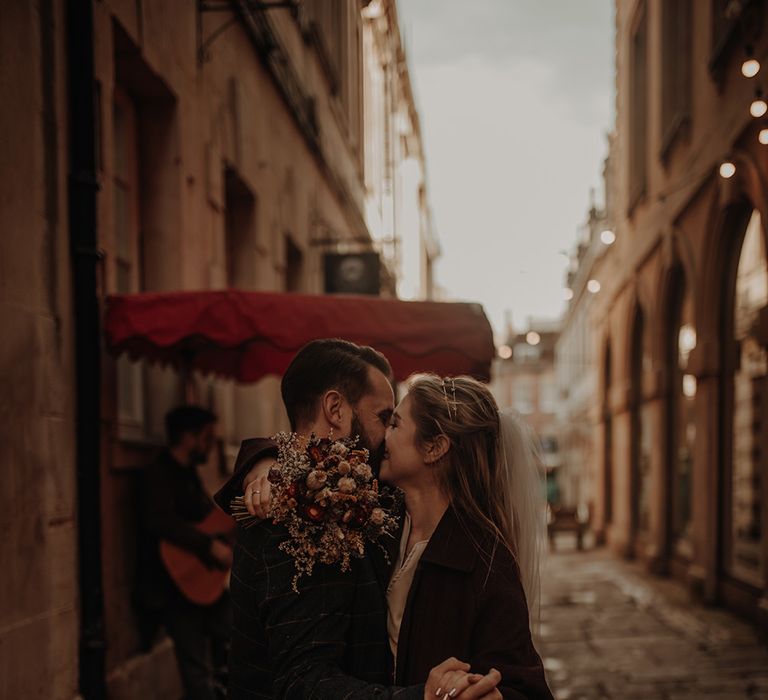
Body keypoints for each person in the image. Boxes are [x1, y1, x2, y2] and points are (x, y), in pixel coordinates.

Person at [215, 339, 504, 699]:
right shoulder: (299, 513)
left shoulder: (345, 495)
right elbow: (303, 682)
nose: (389, 435)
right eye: (384, 418)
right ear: (335, 409)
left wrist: (262, 458)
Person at [380, 374, 553, 699]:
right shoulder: (381, 523)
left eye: (394, 424)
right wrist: (261, 460)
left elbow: (525, 687)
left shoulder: (485, 561)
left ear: (434, 447)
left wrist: (492, 695)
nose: (381, 437)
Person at [137, 405, 232, 700]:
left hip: (205, 588)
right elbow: (159, 521)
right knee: (196, 672)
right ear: (188, 437)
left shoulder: (190, 475)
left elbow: (207, 520)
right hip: (173, 587)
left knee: (235, 636)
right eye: (207, 437)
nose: (211, 444)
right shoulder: (158, 473)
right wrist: (207, 546)